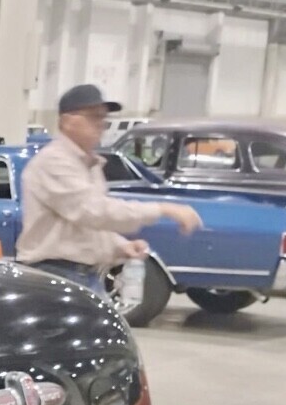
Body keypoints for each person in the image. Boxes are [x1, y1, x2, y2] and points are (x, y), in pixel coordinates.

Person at [18, 84, 201, 295]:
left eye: (103, 118)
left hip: (82, 276)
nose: (101, 124)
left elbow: (87, 226)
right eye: (93, 117)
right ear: (68, 121)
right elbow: (92, 211)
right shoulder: (54, 162)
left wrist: (119, 246)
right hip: (55, 277)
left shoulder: (89, 164)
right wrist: (163, 209)